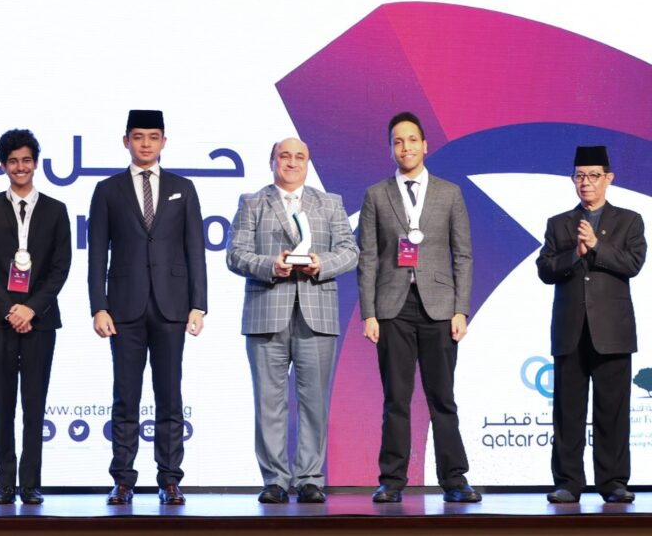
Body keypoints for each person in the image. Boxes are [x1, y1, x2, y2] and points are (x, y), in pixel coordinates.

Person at [226, 137, 358, 504]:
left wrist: (321, 263)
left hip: (317, 314)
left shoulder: (329, 203)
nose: (292, 162)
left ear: (308, 163)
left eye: (300, 156)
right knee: (269, 401)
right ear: (272, 161)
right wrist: (270, 265)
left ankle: (310, 478)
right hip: (266, 312)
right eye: (284, 156)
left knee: (314, 401)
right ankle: (275, 480)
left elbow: (350, 251)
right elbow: (235, 254)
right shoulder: (253, 202)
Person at [357, 112, 480, 503]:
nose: (405, 147)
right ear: (390, 148)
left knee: (442, 398)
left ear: (425, 145)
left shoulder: (450, 193)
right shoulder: (376, 194)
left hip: (440, 308)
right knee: (396, 398)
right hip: (392, 308)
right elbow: (368, 257)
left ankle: (455, 479)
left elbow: (463, 254)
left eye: (412, 140)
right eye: (397, 141)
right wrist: (369, 313)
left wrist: (461, 309)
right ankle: (392, 481)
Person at [88, 109, 208, 506]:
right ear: (126, 140)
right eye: (138, 136)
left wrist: (198, 304)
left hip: (172, 307)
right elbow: (97, 254)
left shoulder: (183, 188)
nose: (145, 143)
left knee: (169, 396)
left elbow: (195, 249)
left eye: (153, 136)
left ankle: (170, 479)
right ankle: (123, 479)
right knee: (125, 396)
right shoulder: (107, 190)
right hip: (123, 308)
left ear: (163, 142)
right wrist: (98, 306)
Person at [537, 145, 646, 504]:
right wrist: (575, 254)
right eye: (580, 176)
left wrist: (596, 245)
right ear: (573, 179)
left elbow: (632, 264)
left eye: (594, 176)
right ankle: (568, 482)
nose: (586, 182)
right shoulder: (559, 223)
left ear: (608, 178)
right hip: (570, 330)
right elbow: (545, 270)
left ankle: (613, 482)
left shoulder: (629, 221)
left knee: (612, 411)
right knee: (567, 411)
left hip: (612, 331)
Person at [0, 129, 71, 506]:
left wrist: (32, 308)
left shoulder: (56, 210)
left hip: (40, 320)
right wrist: (9, 309)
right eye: (13, 161)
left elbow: (61, 267)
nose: (20, 167)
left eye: (26, 160)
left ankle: (30, 483)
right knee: (3, 404)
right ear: (3, 166)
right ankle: (5, 483)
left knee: (34, 403)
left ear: (36, 163)